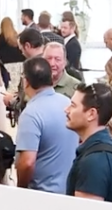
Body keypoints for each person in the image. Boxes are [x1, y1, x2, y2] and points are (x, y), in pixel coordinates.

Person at [14, 57, 77, 194]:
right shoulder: (68, 103)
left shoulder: (31, 114)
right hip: (70, 188)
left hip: (42, 193)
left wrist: (20, 189)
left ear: (26, 81)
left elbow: (27, 162)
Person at [66, 84, 112, 204]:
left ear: (91, 114)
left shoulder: (95, 161)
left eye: (73, 105)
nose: (66, 110)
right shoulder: (104, 149)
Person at [0, 18, 24, 83]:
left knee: (10, 83)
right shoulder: (17, 35)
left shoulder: (2, 37)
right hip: (19, 64)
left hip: (7, 64)